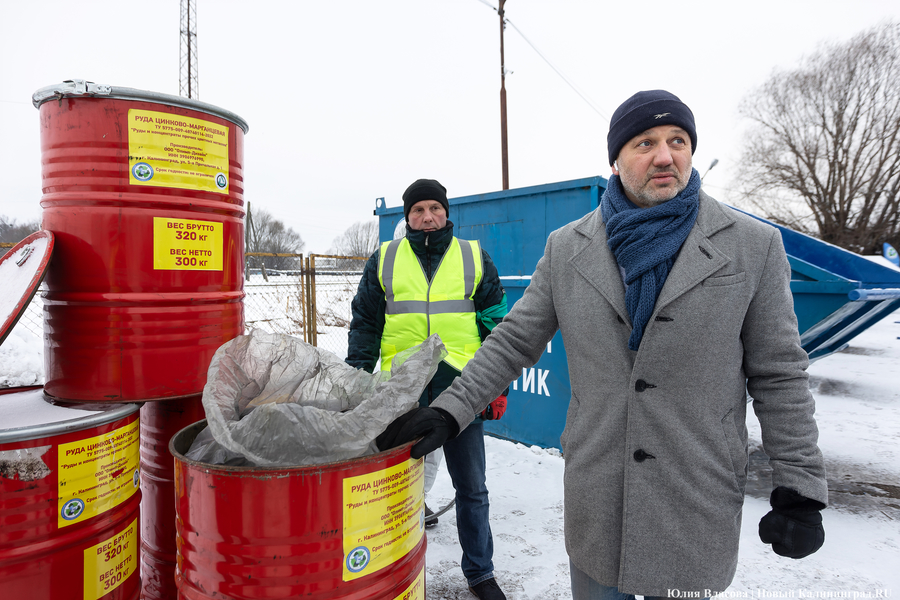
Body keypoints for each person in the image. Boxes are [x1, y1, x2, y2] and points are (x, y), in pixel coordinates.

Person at [375, 91, 828, 599]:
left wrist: (800, 487)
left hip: (694, 495)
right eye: (645, 143)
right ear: (615, 159)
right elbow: (513, 342)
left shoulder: (751, 245)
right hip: (600, 495)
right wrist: (450, 410)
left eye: (678, 141)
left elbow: (779, 373)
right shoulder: (568, 247)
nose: (665, 155)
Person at [346, 178, 510, 600]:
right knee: (392, 488)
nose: (427, 217)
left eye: (435, 208)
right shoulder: (385, 259)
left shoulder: (473, 257)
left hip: (463, 389)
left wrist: (497, 387)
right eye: (418, 210)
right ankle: (389, 568)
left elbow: (497, 324)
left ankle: (480, 573)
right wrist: (355, 380)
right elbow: (365, 324)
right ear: (407, 218)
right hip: (401, 392)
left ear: (446, 213)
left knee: (471, 488)